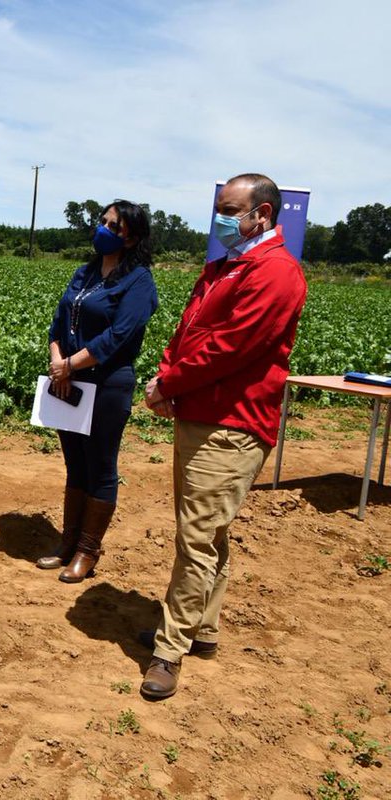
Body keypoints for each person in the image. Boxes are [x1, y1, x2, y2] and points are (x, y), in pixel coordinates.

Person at [139, 173, 307, 700]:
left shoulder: (276, 272)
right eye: (219, 207)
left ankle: (169, 651)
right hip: (202, 414)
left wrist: (168, 381)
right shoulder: (224, 266)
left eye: (230, 209)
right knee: (209, 531)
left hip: (233, 424)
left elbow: (230, 348)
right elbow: (189, 330)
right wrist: (168, 377)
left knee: (195, 539)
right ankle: (202, 630)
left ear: (262, 213)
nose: (220, 218)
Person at [39, 201, 158, 582]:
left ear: (132, 237)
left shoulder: (138, 281)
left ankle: (88, 552)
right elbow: (58, 324)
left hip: (107, 383)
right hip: (68, 380)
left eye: (114, 226)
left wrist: (70, 364)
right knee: (75, 462)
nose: (103, 229)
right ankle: (67, 543)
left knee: (101, 466)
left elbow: (119, 336)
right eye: (103, 221)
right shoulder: (84, 273)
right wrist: (58, 359)